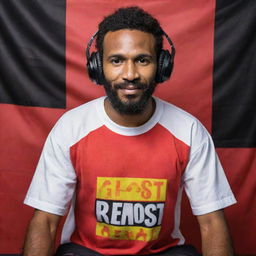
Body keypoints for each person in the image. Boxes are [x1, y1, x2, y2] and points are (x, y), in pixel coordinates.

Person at [23, 6, 237, 256]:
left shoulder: (189, 131)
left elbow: (212, 224)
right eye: (116, 60)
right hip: (87, 252)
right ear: (97, 66)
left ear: (161, 66)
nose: (130, 74)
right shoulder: (71, 128)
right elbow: (45, 222)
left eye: (142, 60)